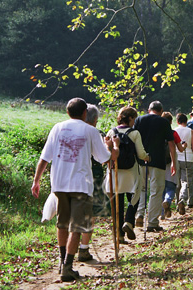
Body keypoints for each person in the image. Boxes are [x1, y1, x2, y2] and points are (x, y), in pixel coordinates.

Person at [31, 97, 119, 282]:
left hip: (59, 184)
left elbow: (44, 157)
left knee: (62, 223)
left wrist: (36, 180)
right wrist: (113, 147)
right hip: (81, 185)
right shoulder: (90, 130)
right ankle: (68, 267)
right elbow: (104, 157)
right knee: (77, 227)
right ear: (85, 113)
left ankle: (62, 261)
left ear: (67, 112)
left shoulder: (57, 127)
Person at [104, 106, 149, 243]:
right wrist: (147, 157)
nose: (134, 121)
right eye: (134, 118)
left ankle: (120, 236)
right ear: (130, 118)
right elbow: (141, 154)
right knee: (134, 198)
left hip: (114, 172)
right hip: (131, 172)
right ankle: (129, 222)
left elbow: (107, 152)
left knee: (117, 204)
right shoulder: (135, 133)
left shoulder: (112, 132)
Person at [134, 101, 176, 232]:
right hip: (158, 160)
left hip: (140, 160)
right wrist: (174, 161)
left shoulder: (139, 120)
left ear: (149, 109)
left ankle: (139, 214)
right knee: (156, 191)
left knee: (141, 189)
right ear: (161, 110)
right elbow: (171, 143)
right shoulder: (164, 122)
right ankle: (152, 222)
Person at [78, 104, 108, 262]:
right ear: (95, 119)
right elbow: (103, 158)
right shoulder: (96, 133)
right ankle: (83, 248)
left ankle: (70, 250)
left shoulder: (72, 131)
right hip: (93, 176)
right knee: (90, 213)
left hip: (73, 175)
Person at [161, 111, 185, 218]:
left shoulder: (158, 134)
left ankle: (162, 213)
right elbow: (180, 149)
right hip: (171, 162)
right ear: (171, 122)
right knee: (171, 187)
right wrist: (185, 145)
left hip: (159, 163)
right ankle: (168, 200)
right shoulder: (173, 133)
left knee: (161, 188)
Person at [175, 113, 193, 215]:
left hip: (176, 158)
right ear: (186, 121)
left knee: (177, 182)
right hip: (188, 158)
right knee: (187, 181)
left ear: (177, 121)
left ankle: (177, 202)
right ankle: (184, 199)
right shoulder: (191, 131)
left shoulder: (174, 131)